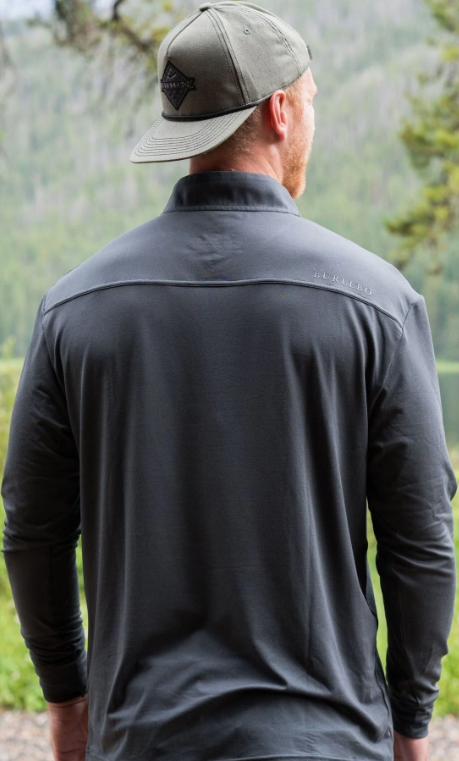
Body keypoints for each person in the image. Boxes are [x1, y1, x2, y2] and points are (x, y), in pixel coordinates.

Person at [1, 2, 456, 761]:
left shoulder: (74, 309)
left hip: (139, 738)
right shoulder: (377, 303)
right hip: (327, 741)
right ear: (280, 111)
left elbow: (33, 531)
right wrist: (410, 723)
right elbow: (420, 542)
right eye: (311, 102)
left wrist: (68, 702)